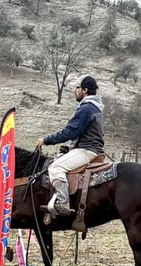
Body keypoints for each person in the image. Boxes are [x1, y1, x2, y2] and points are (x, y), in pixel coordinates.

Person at [37, 74, 105, 216]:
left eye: (77, 88)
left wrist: (46, 140)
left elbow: (70, 132)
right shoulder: (95, 107)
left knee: (55, 167)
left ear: (85, 90)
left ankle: (62, 201)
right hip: (90, 148)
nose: (75, 91)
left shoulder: (86, 108)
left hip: (87, 150)